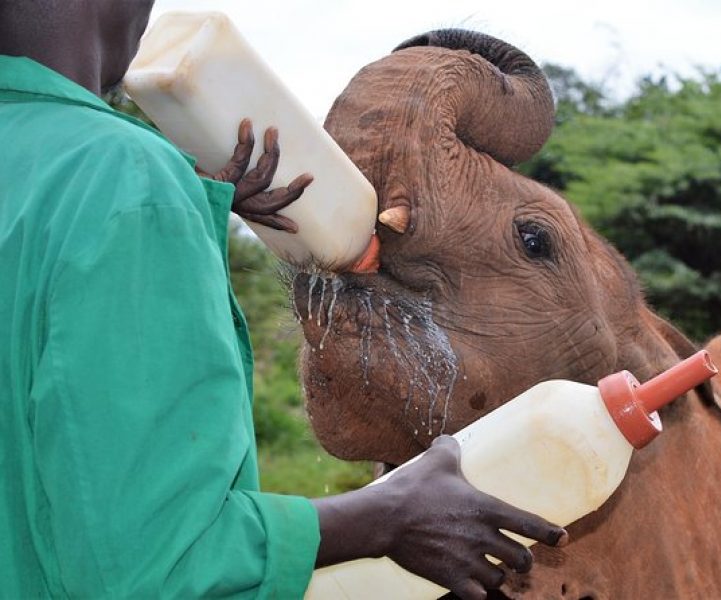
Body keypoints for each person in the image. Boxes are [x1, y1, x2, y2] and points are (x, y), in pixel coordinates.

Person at [0, 2, 567, 598]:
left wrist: (190, 204)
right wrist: (388, 517)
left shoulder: (98, 174)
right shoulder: (127, 175)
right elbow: (154, 563)